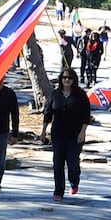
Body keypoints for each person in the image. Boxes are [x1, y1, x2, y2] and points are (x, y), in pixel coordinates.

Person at [41, 69, 90, 201]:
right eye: (64, 78)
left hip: (75, 133)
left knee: (72, 161)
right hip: (58, 133)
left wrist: (83, 132)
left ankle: (74, 181)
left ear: (74, 80)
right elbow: (48, 112)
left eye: (70, 78)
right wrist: (44, 131)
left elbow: (86, 115)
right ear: (61, 79)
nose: (67, 80)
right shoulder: (55, 94)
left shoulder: (80, 95)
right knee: (57, 162)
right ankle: (58, 191)